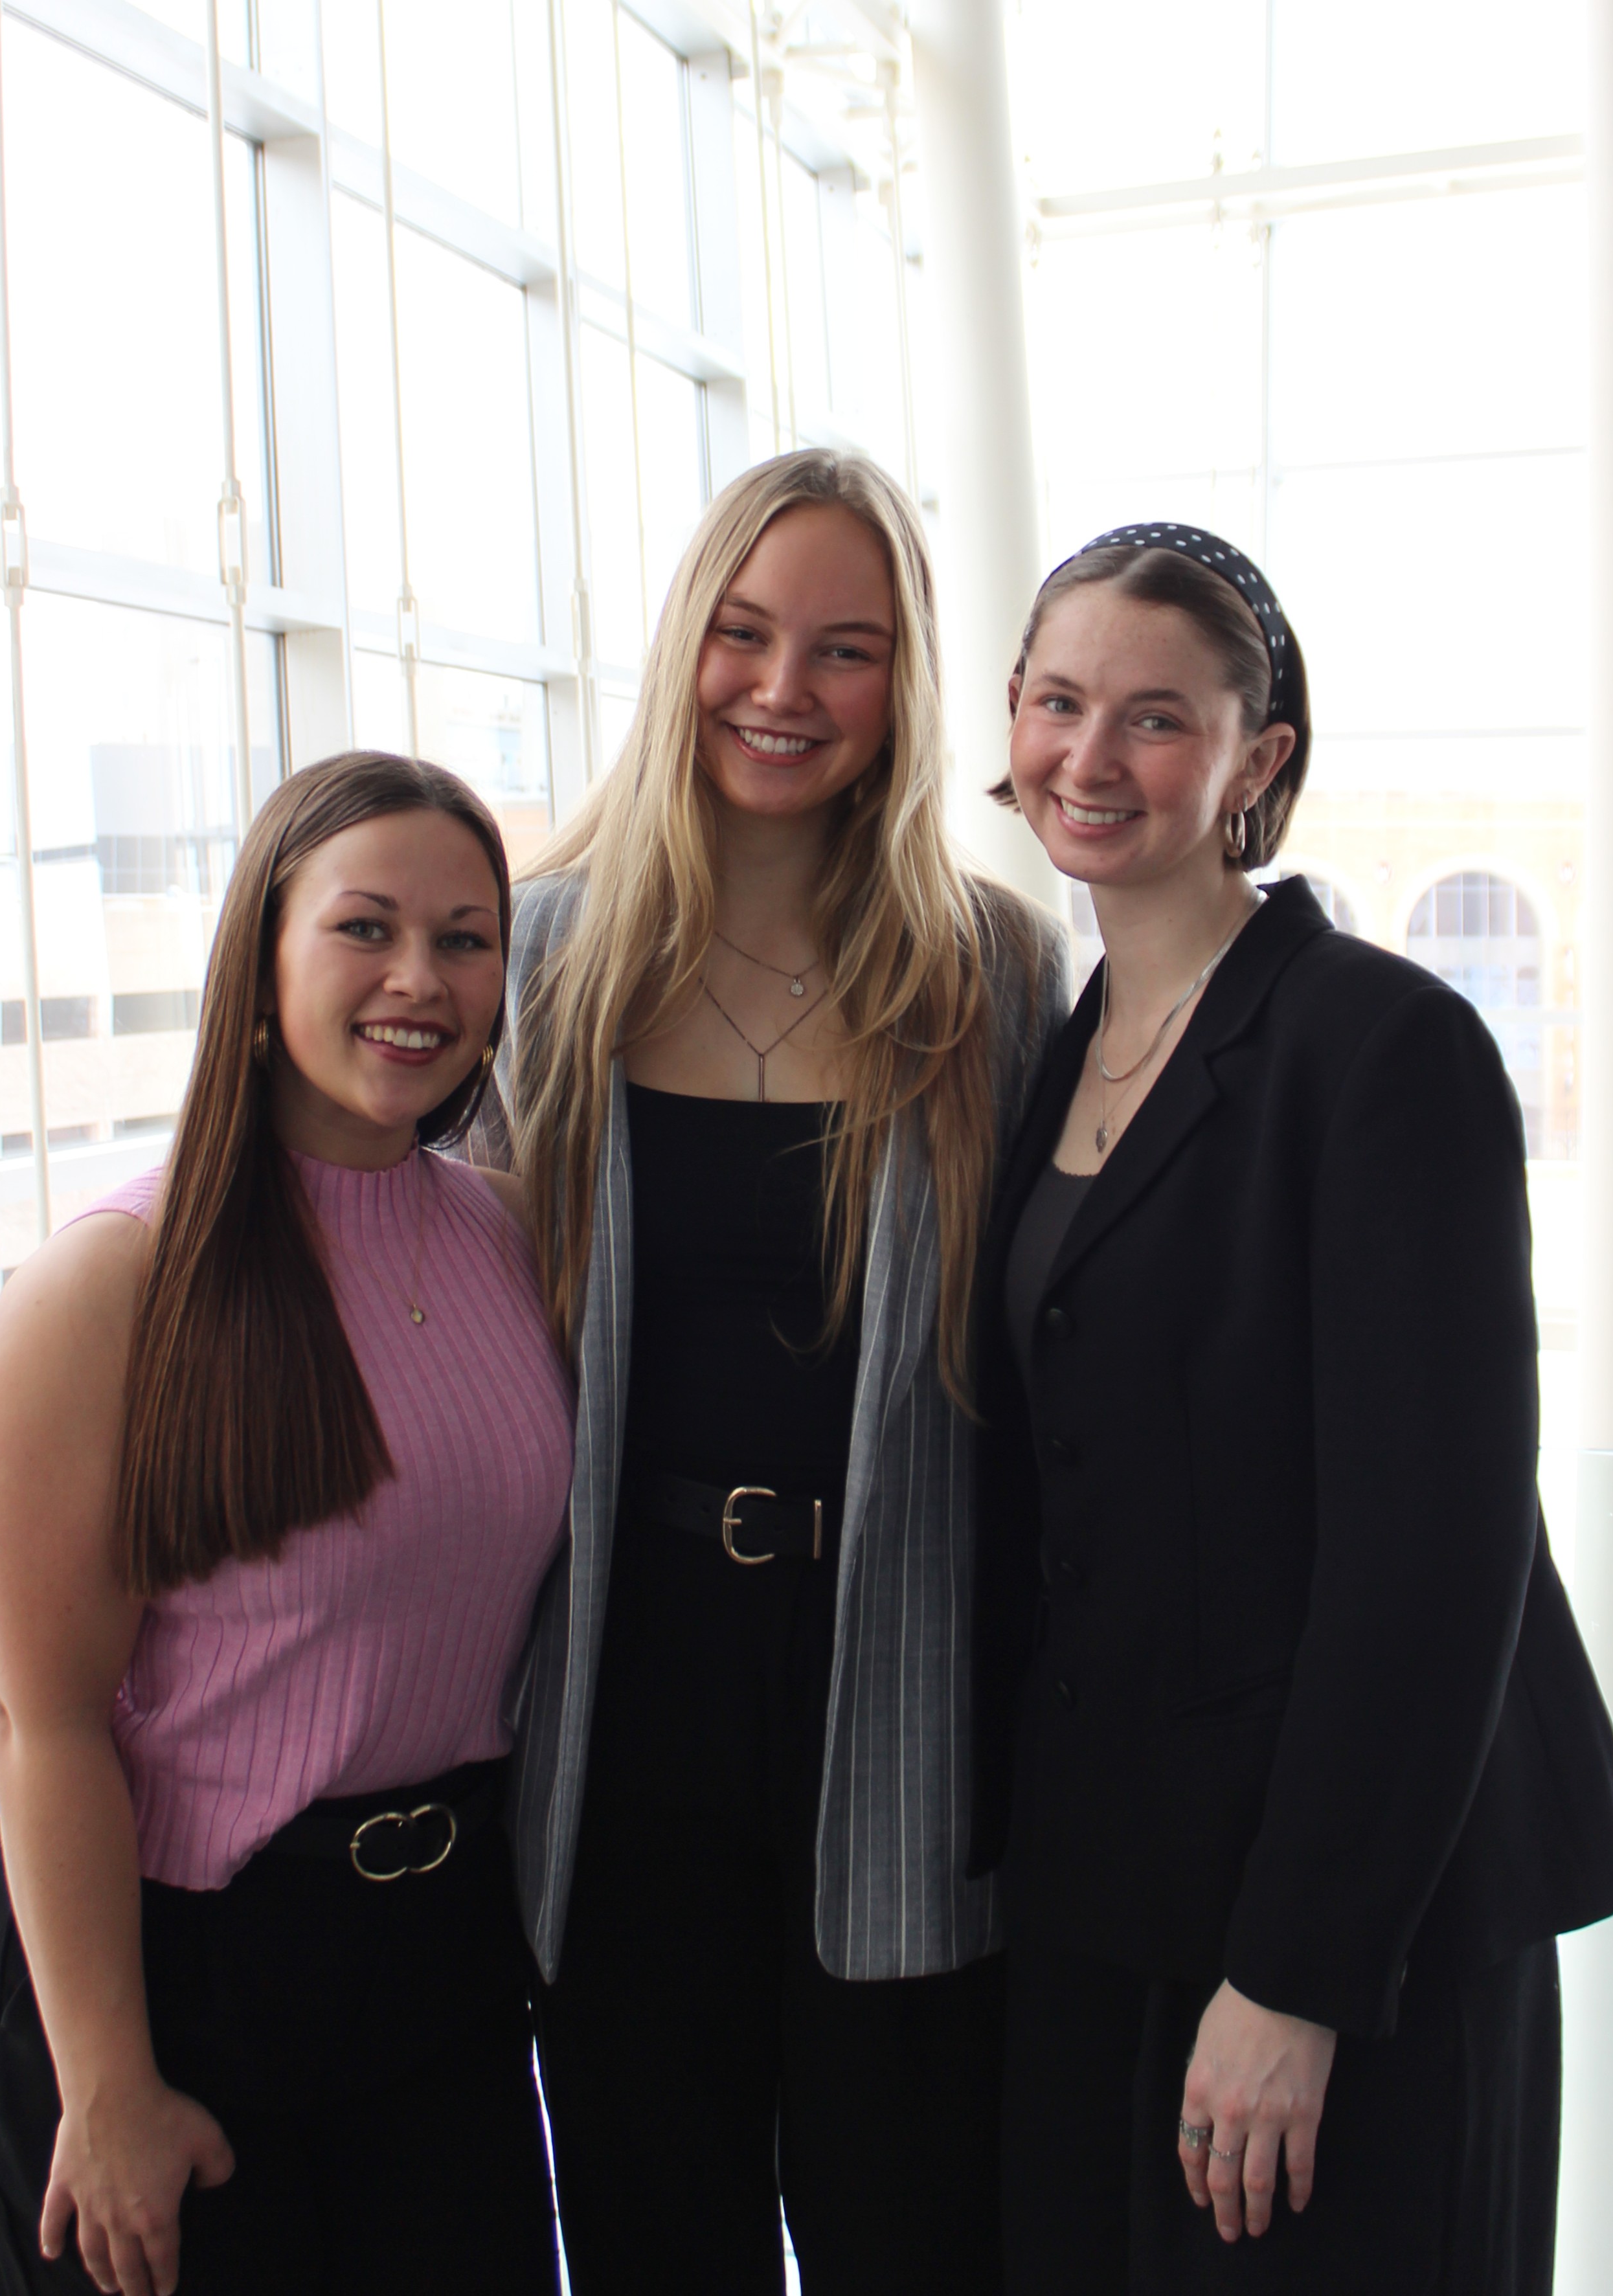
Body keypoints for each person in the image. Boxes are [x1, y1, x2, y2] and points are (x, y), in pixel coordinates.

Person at [972, 524, 1613, 2293]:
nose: (1089, 758)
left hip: (1350, 1934)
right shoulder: (1066, 1036)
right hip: (1129, 1899)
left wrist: (1296, 1978)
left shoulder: (1379, 1049)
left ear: (1256, 762)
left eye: (1154, 719)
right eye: (1056, 702)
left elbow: (1432, 1554)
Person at [480, 448, 1070, 2293]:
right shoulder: (542, 952)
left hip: (893, 1691)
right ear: (682, 650)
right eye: (741, 635)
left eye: (843, 649)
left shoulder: (985, 970)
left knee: (916, 2229)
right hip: (624, 1694)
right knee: (659, 2233)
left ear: (902, 685)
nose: (780, 690)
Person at [0, 754, 572, 2296]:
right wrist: (107, 2090)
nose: (417, 980)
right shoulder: (111, 1288)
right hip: (172, 1982)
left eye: (464, 937)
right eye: (364, 929)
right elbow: (47, 1727)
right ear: (261, 960)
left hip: (436, 1970)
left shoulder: (509, 1234)